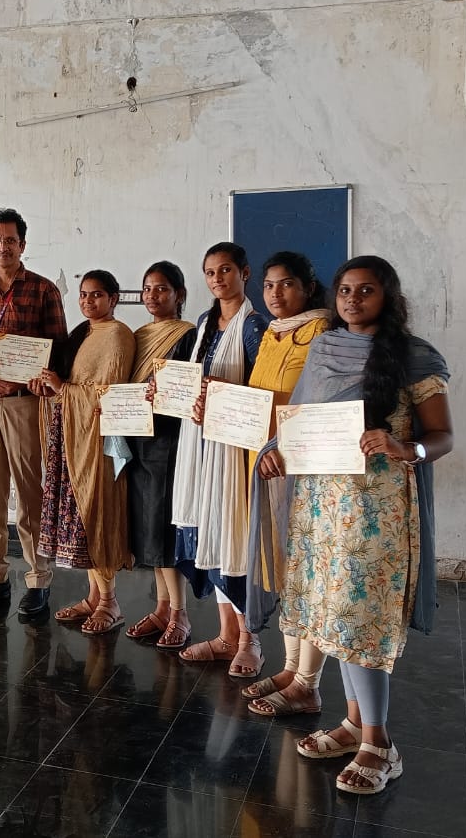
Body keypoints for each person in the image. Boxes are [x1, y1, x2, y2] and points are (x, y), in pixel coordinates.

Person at [256, 255, 452, 796]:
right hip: (320, 506)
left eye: (366, 290)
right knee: (332, 613)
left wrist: (405, 447)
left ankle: (380, 745)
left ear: (388, 296)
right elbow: (300, 419)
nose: (352, 300)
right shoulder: (324, 348)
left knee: (361, 617)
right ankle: (351, 726)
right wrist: (276, 450)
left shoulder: (414, 356)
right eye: (344, 290)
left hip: (376, 511)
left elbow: (443, 437)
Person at [0, 208, 69, 616]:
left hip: (25, 404)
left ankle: (38, 578)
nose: (3, 247)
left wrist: (22, 382)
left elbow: (58, 352)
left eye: (10, 240)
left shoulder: (43, 290)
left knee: (29, 490)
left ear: (22, 244)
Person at [236, 252, 332, 716]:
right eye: (269, 285)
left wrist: (282, 445)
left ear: (308, 288)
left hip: (302, 467)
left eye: (287, 284)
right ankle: (292, 668)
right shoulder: (272, 334)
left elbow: (319, 405)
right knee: (284, 569)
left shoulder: (323, 333)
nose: (275, 293)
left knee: (307, 571)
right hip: (266, 463)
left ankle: (308, 684)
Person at [171, 241, 269, 678]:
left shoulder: (254, 326)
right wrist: (169, 392)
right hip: (199, 441)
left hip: (234, 447)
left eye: (225, 270)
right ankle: (226, 634)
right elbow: (191, 379)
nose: (217, 279)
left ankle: (250, 641)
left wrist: (220, 394)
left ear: (244, 273)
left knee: (232, 535)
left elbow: (260, 391)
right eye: (210, 272)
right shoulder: (204, 323)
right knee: (209, 531)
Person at [32, 270, 136, 634]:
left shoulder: (118, 335)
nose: (88, 301)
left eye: (96, 295)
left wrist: (63, 388)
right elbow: (71, 385)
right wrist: (50, 388)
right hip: (71, 435)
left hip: (96, 440)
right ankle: (94, 597)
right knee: (80, 513)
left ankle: (110, 602)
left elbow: (108, 393)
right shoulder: (83, 333)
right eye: (83, 295)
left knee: (95, 513)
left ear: (113, 299)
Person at [124, 262, 197, 650]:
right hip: (138, 438)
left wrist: (161, 395)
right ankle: (162, 608)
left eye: (162, 289)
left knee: (163, 526)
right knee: (147, 527)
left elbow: (185, 389)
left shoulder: (188, 335)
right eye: (147, 289)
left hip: (168, 441)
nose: (153, 296)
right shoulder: (138, 336)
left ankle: (180, 613)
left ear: (179, 294)